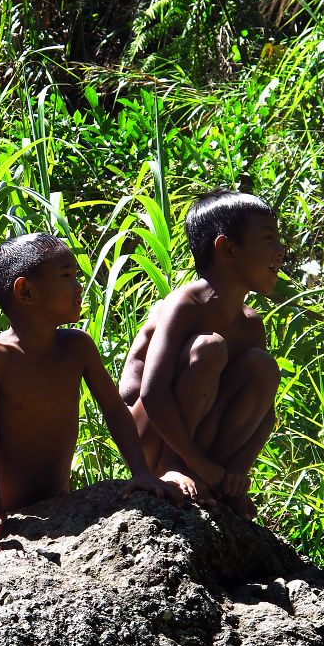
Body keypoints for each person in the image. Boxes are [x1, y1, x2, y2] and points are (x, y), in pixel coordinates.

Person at [0, 233, 180, 538]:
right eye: (67, 276)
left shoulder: (77, 347)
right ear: (25, 291)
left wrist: (141, 472)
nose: (79, 286)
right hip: (10, 509)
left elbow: (115, 411)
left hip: (59, 500)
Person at [119, 189, 284, 521]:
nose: (281, 252)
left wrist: (238, 469)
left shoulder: (250, 324)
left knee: (263, 367)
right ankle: (173, 468)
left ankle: (217, 483)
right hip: (149, 436)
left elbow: (266, 413)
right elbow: (150, 393)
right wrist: (188, 460)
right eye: (269, 239)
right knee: (208, 349)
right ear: (227, 249)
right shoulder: (184, 305)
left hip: (198, 444)